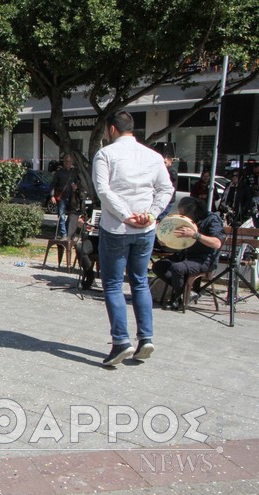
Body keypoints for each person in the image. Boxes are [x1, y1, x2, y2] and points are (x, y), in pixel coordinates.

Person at [92, 110, 174, 366]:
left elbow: (103, 190)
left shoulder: (105, 154)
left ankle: (120, 342)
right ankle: (146, 338)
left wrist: (127, 216)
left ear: (112, 129)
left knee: (114, 285)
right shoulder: (153, 156)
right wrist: (150, 214)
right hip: (145, 231)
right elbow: (166, 188)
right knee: (139, 282)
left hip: (117, 228)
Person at [152, 197, 224, 311]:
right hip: (185, 255)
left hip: (204, 259)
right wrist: (164, 241)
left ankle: (177, 299)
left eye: (184, 213)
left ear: (193, 211)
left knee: (177, 268)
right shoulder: (188, 220)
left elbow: (217, 243)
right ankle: (187, 293)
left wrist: (195, 235)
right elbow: (179, 242)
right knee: (158, 266)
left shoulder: (212, 220)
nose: (182, 216)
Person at [50, 154, 81, 238]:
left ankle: (69, 233)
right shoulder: (59, 172)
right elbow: (53, 184)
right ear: (63, 162)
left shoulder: (75, 172)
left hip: (72, 197)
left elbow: (79, 182)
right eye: (66, 161)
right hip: (62, 197)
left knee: (72, 216)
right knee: (61, 216)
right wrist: (52, 196)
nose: (67, 163)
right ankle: (64, 234)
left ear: (72, 162)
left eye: (69, 161)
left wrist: (76, 186)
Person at [157, 154, 178, 220]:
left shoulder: (172, 171)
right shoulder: (164, 170)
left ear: (170, 162)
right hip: (162, 197)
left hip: (169, 199)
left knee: (159, 217)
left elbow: (173, 177)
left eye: (165, 162)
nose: (163, 164)